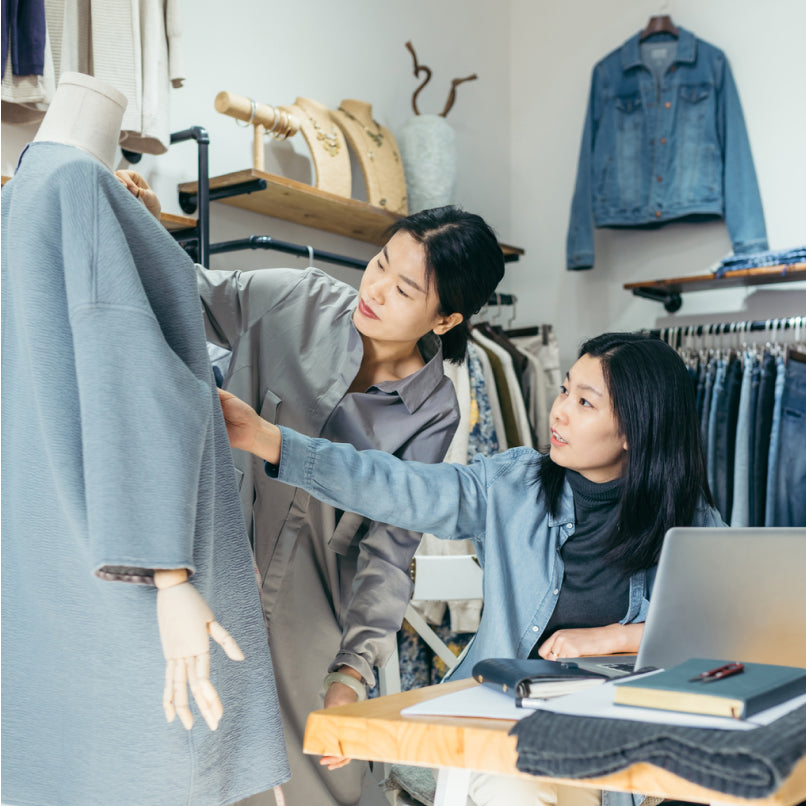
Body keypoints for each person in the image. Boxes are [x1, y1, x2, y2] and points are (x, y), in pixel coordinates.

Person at [117, 170, 507, 806]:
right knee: (189, 764)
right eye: (379, 263)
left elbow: (390, 549)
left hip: (314, 614)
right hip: (213, 575)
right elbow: (188, 295)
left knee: (319, 785)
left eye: (404, 288)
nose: (375, 290)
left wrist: (352, 668)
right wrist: (153, 227)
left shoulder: (435, 410)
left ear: (446, 318)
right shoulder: (297, 298)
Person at [217, 331, 725, 806]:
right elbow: (396, 486)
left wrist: (611, 636)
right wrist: (270, 440)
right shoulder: (514, 485)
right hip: (503, 733)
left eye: (584, 402)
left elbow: (725, 630)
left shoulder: (689, 519)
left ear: (635, 432)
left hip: (616, 739)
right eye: (565, 390)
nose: (560, 412)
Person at [3, 73, 289, 806]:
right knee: (161, 762)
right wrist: (169, 577)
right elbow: (131, 380)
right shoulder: (78, 190)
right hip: (132, 555)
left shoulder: (18, 201)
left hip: (46, 564)